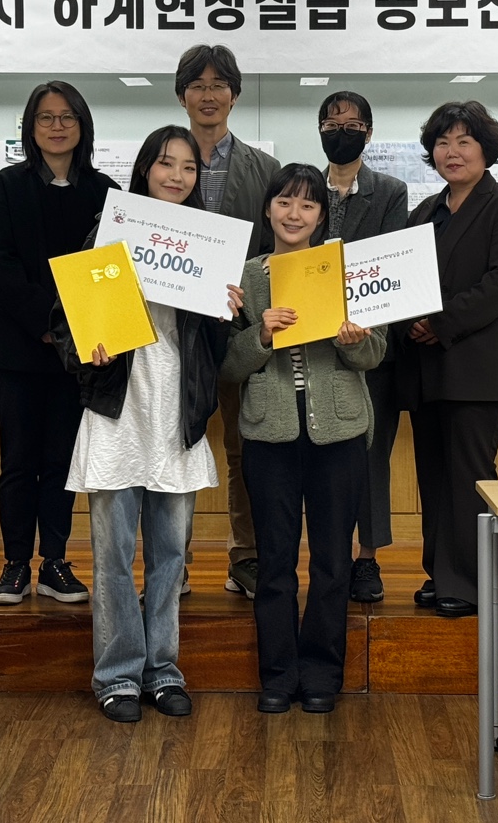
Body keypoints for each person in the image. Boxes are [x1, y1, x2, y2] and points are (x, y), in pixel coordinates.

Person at [51, 125, 242, 723]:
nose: (177, 176)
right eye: (166, 164)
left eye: (188, 167)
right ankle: (116, 675)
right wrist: (88, 349)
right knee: (111, 556)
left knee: (170, 558)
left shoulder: (208, 243)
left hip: (176, 413)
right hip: (119, 411)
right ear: (144, 170)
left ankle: (162, 669)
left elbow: (216, 346)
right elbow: (66, 321)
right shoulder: (110, 232)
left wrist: (228, 314)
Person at [222, 164, 386, 714]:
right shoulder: (245, 277)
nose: (294, 214)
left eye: (308, 205)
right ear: (268, 208)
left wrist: (352, 339)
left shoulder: (344, 270)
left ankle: (321, 674)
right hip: (269, 431)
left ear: (321, 216)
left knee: (333, 560)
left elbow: (375, 353)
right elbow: (228, 365)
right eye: (285, 202)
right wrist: (261, 333)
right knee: (274, 560)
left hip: (338, 429)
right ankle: (277, 675)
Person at [0, 81, 118, 606]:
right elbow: (2, 266)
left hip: (77, 355)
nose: (57, 127)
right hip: (18, 349)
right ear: (30, 127)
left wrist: (74, 332)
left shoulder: (105, 193)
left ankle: (55, 562)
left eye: (67, 117)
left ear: (83, 125)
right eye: (46, 117)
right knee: (18, 461)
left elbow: (111, 270)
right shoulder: (8, 185)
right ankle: (15, 563)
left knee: (62, 461)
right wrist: (49, 324)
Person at [398, 101, 498, 618]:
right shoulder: (425, 212)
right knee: (433, 475)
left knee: (469, 475)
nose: (451, 152)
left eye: (464, 142)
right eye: (442, 142)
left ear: (486, 150)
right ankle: (441, 572)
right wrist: (408, 320)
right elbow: (403, 277)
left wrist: (440, 322)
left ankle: (472, 582)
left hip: (479, 368)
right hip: (427, 366)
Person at [174, 43, 279, 601]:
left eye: (219, 84)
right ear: (182, 95)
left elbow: (277, 247)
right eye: (198, 84)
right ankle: (174, 561)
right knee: (177, 445)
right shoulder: (163, 159)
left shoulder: (265, 169)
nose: (208, 94)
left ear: (235, 95)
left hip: (242, 330)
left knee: (246, 448)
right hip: (175, 331)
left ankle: (247, 557)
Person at [316, 90, 408, 603]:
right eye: (331, 124)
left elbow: (388, 262)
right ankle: (328, 555)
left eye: (351, 125)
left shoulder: (389, 192)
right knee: (322, 457)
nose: (341, 132)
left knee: (372, 458)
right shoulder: (305, 187)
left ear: (368, 133)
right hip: (313, 343)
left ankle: (367, 558)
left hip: (371, 343)